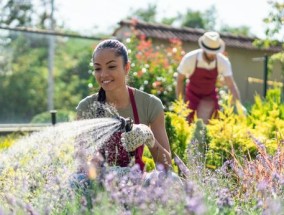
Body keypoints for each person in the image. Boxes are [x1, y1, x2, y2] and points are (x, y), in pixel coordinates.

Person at [75, 39, 177, 187]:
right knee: (74, 183)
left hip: (137, 185)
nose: (103, 74)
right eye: (98, 68)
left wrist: (149, 138)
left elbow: (167, 167)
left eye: (111, 66)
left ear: (126, 67)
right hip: (100, 185)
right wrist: (95, 165)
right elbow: (79, 161)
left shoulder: (149, 104)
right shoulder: (87, 107)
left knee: (171, 180)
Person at [176, 31, 245, 124]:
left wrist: (238, 105)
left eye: (215, 52)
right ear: (204, 49)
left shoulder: (223, 61)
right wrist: (180, 103)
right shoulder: (190, 59)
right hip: (192, 97)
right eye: (210, 52)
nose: (213, 55)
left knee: (215, 125)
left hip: (210, 98)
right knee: (189, 126)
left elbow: (231, 84)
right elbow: (180, 80)